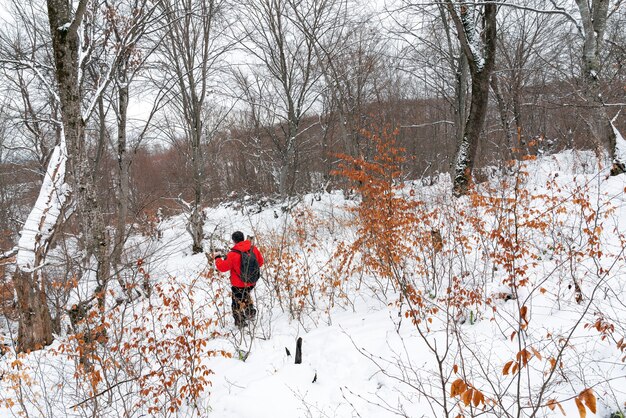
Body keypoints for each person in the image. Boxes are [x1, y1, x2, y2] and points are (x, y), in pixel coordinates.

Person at [214, 231, 264, 327]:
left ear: (234, 241)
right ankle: (250, 313)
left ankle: (240, 322)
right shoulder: (253, 249)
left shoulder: (232, 254)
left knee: (236, 304)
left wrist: (217, 258)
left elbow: (222, 268)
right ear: (243, 238)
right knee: (246, 295)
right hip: (252, 281)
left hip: (238, 284)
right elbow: (260, 262)